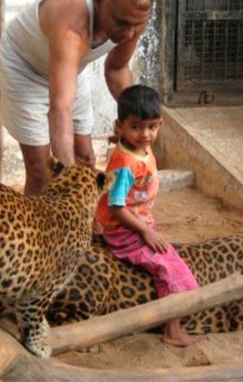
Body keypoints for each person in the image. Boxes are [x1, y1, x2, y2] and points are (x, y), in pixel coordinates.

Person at [0, 0, 153, 195]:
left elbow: (117, 70)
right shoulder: (71, 24)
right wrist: (70, 180)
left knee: (86, 159)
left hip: (69, 67)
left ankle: (86, 228)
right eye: (121, 23)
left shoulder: (134, 15)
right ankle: (38, 230)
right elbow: (60, 109)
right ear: (99, 1)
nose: (129, 33)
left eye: (135, 26)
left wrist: (135, 122)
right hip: (25, 69)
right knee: (42, 174)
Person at [96, 85, 200, 347]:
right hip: (125, 228)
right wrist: (145, 231)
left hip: (137, 219)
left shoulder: (135, 148)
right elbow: (117, 207)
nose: (145, 134)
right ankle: (172, 330)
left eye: (152, 127)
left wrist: (120, 138)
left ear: (161, 124)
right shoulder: (126, 165)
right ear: (120, 126)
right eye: (137, 127)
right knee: (174, 271)